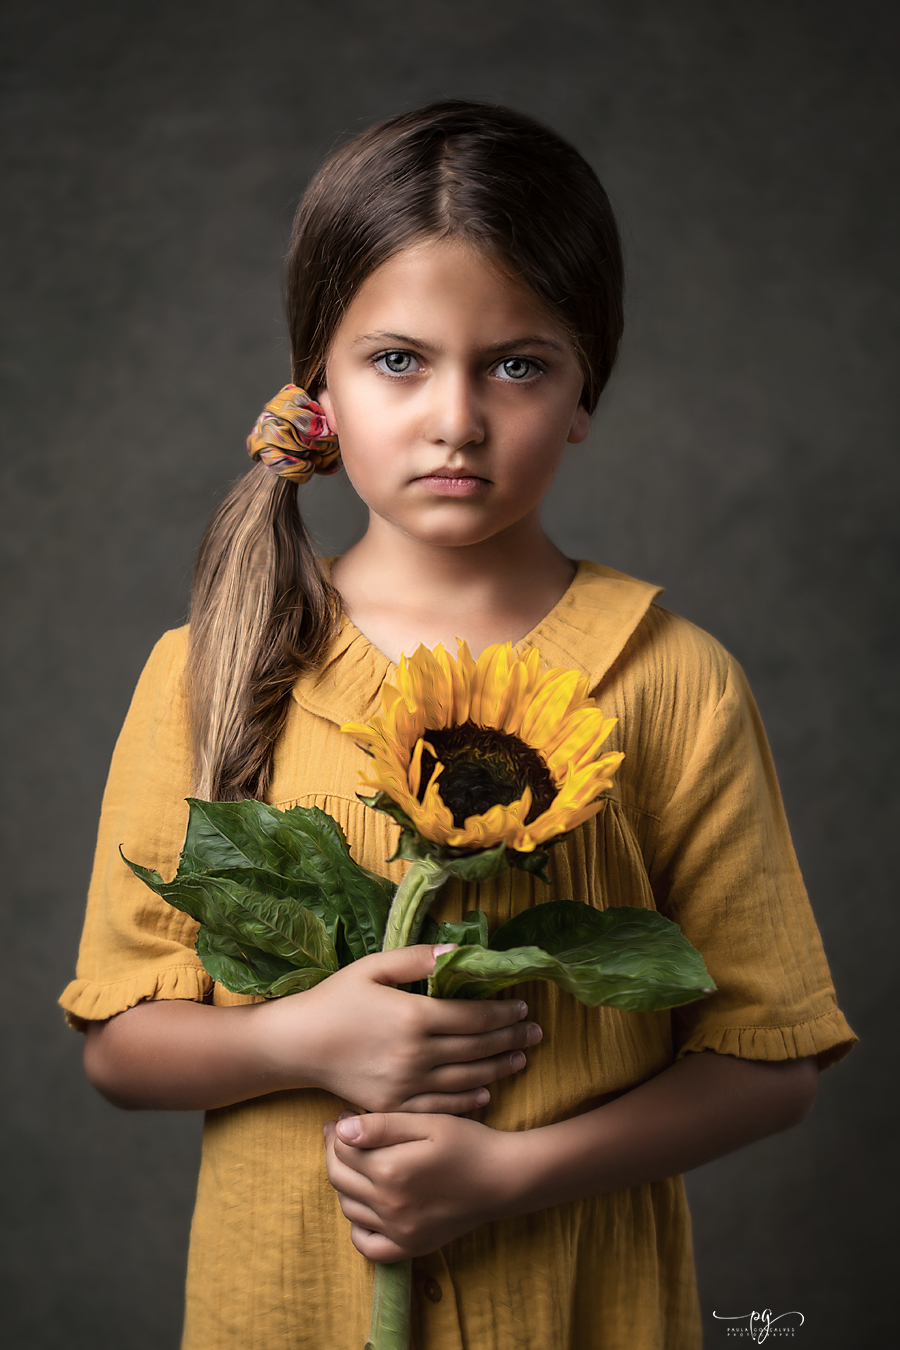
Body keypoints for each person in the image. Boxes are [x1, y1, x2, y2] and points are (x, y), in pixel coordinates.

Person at [60, 102, 855, 1350]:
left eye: (518, 364)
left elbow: (773, 1061)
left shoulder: (675, 681)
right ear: (316, 379)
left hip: (576, 1306)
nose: (456, 419)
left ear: (588, 385)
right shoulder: (213, 668)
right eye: (398, 360)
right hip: (285, 1307)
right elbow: (118, 1040)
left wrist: (508, 1176)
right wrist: (304, 1036)